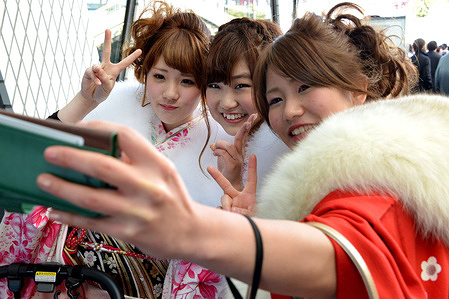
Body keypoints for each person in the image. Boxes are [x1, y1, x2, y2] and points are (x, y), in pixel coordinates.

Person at [33, 3, 449, 299]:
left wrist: (193, 231)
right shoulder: (302, 164)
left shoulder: (381, 173)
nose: (291, 110)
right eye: (276, 98)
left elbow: (340, 252)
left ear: (357, 90)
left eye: (305, 87)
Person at [0, 1, 232, 298]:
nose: (170, 94)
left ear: (204, 84)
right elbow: (37, 158)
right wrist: (86, 101)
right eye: (159, 76)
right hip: (71, 277)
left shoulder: (218, 140)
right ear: (144, 72)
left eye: (187, 81)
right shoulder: (115, 107)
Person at [162, 17, 289, 298]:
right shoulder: (217, 139)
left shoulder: (286, 141)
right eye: (215, 86)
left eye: (241, 86)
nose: (226, 102)